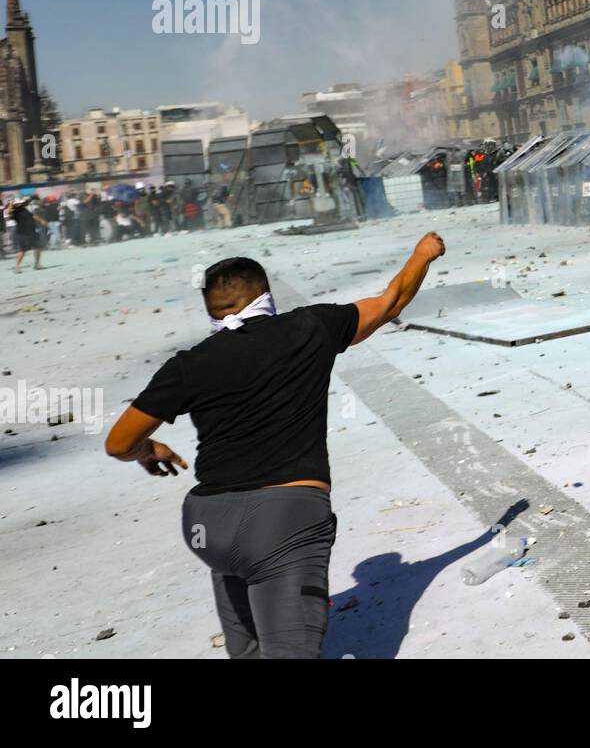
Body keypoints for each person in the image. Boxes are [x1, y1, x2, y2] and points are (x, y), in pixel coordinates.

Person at [103, 230, 447, 659]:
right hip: (283, 521)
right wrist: (422, 254)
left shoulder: (188, 364)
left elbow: (118, 443)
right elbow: (391, 301)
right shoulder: (311, 327)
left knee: (246, 648)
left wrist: (148, 449)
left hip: (207, 528)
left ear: (211, 308)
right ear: (265, 294)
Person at [7, 197, 43, 272]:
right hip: (23, 233)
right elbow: (8, 212)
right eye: (20, 203)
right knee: (22, 251)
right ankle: (17, 267)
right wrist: (11, 203)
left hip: (32, 232)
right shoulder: (15, 212)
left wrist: (41, 220)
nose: (22, 204)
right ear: (16, 205)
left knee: (38, 247)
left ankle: (37, 264)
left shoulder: (25, 209)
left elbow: (32, 214)